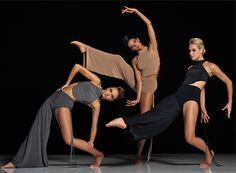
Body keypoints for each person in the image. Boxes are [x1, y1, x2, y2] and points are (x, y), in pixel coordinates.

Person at [105, 37, 233, 168]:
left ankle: (208, 153)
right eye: (189, 51)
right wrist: (204, 108)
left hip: (191, 99)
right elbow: (203, 88)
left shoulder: (210, 66)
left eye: (194, 50)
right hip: (178, 95)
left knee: (189, 138)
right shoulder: (190, 67)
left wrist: (229, 102)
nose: (191, 53)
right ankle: (125, 122)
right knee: (155, 114)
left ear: (201, 50)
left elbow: (228, 82)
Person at [71, 6, 160, 163]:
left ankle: (139, 153)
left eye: (134, 43)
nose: (134, 47)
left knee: (143, 119)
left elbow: (149, 24)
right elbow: (138, 80)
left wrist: (136, 11)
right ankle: (87, 50)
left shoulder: (153, 49)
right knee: (118, 59)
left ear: (138, 40)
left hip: (150, 85)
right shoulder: (135, 60)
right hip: (141, 85)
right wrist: (138, 97)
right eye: (131, 47)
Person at [1, 63, 125, 169]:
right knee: (37, 127)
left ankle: (98, 154)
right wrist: (67, 83)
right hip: (54, 96)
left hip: (64, 102)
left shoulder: (96, 105)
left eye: (111, 96)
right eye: (110, 90)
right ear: (109, 88)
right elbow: (77, 67)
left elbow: (94, 125)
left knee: (68, 139)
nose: (108, 94)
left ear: (111, 101)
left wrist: (91, 141)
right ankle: (18, 160)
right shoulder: (97, 82)